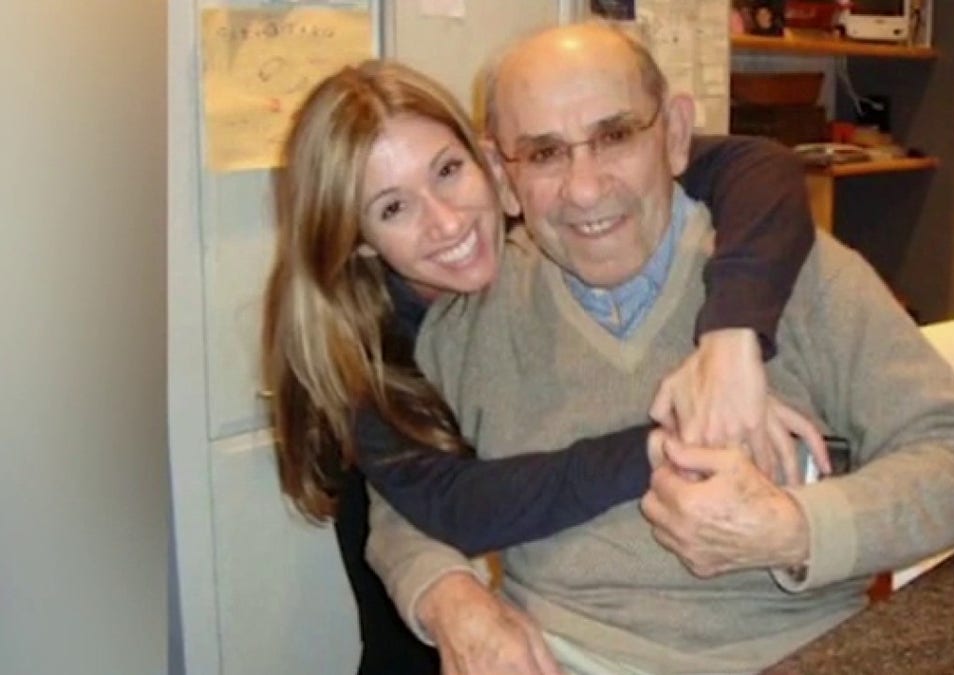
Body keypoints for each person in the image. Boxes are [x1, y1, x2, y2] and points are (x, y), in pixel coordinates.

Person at [367, 22, 954, 675]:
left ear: (673, 135)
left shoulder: (803, 275)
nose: (584, 189)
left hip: (798, 653)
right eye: (545, 153)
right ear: (503, 176)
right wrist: (454, 599)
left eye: (614, 136)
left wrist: (791, 527)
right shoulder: (471, 320)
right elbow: (405, 506)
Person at [261, 58, 826, 674]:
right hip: (424, 648)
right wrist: (679, 437)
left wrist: (731, 336)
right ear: (359, 238)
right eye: (393, 208)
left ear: (491, 162)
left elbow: (759, 165)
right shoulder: (364, 355)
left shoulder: (536, 205)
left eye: (448, 171)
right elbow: (460, 508)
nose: (447, 222)